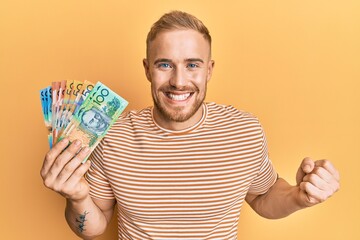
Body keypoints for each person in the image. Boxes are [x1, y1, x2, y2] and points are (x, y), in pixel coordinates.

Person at [40, 10, 340, 239]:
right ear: (147, 69)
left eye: (192, 65)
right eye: (165, 64)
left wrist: (300, 197)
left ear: (209, 70)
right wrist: (77, 198)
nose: (179, 81)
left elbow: (264, 197)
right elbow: (94, 226)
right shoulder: (114, 136)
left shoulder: (244, 131)